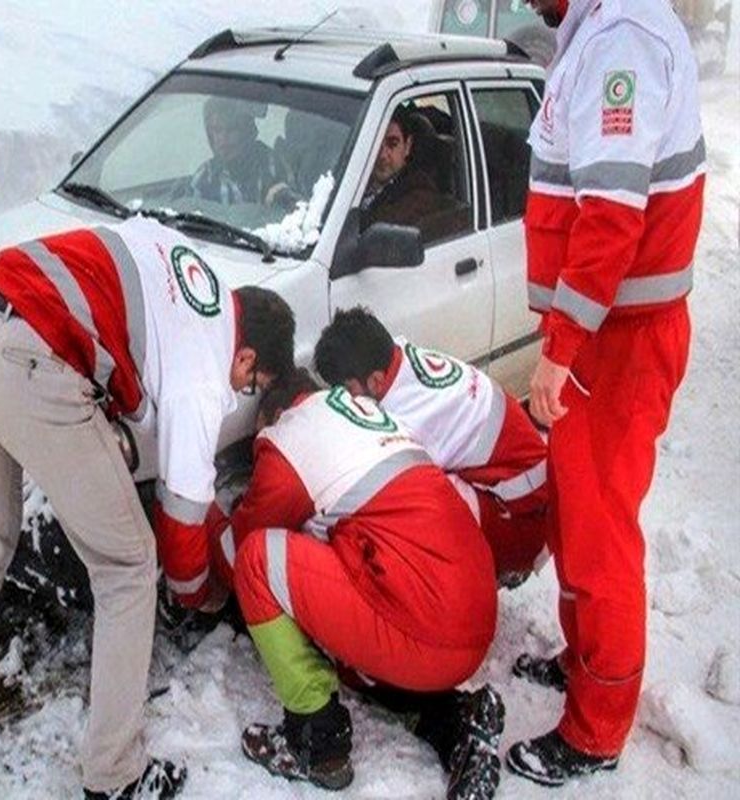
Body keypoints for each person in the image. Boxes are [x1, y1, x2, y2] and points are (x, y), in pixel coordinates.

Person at [0, 216, 295, 799]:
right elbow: (183, 515)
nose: (241, 394)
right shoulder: (207, 368)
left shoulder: (181, 266)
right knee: (129, 567)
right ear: (247, 355)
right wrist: (199, 594)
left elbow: (121, 335)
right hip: (31, 362)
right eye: (252, 383)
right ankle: (115, 776)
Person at [508, 0, 706, 786]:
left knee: (598, 534)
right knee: (572, 511)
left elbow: (611, 221)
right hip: (605, 332)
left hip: (616, 341)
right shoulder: (594, 29)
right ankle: (584, 657)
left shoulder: (621, 39)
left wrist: (561, 349)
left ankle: (596, 731)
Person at [210, 369, 502, 799]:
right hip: (471, 614)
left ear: (272, 416)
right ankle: (456, 723)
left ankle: (316, 744)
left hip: (427, 628)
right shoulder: (372, 417)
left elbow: (239, 552)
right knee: (341, 640)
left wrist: (209, 518)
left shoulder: (289, 436)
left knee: (260, 559)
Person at [314, 307, 548, 586]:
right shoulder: (398, 353)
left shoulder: (412, 418)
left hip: (527, 521)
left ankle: (475, 577)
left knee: (405, 504)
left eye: (346, 389)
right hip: (532, 489)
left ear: (375, 380)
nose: (344, 397)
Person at [359, 107, 464, 243]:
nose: (382, 155)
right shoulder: (350, 178)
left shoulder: (417, 195)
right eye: (376, 144)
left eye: (392, 144)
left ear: (407, 146)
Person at [189, 97, 294, 208]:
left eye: (231, 129)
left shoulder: (273, 167)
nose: (223, 138)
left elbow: (293, 214)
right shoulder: (204, 178)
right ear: (210, 135)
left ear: (247, 131)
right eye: (217, 130)